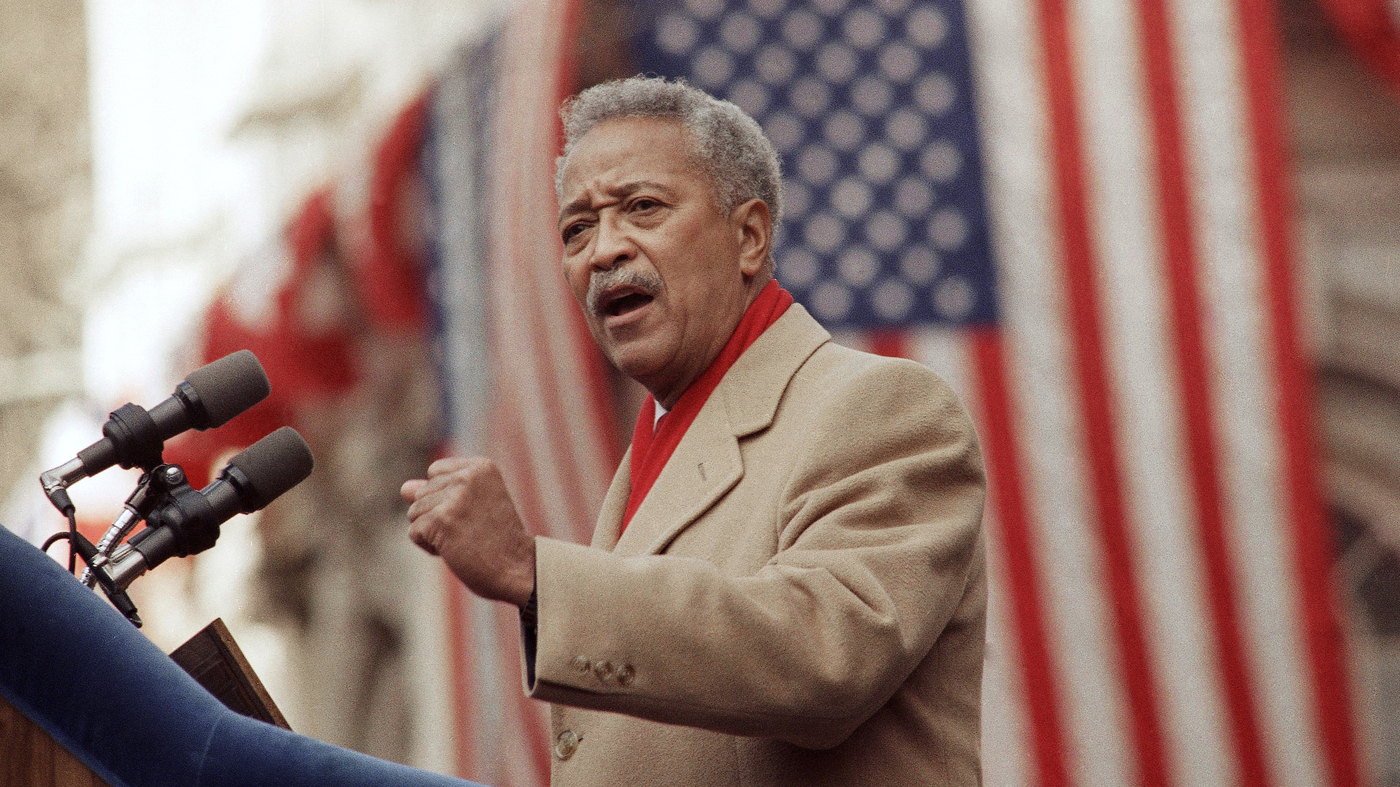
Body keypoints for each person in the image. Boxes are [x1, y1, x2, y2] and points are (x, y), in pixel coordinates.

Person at [401, 76, 987, 787]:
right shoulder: (658, 448)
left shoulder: (882, 406)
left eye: (641, 208)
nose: (604, 251)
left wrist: (532, 573)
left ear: (749, 237)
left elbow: (827, 656)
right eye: (577, 229)